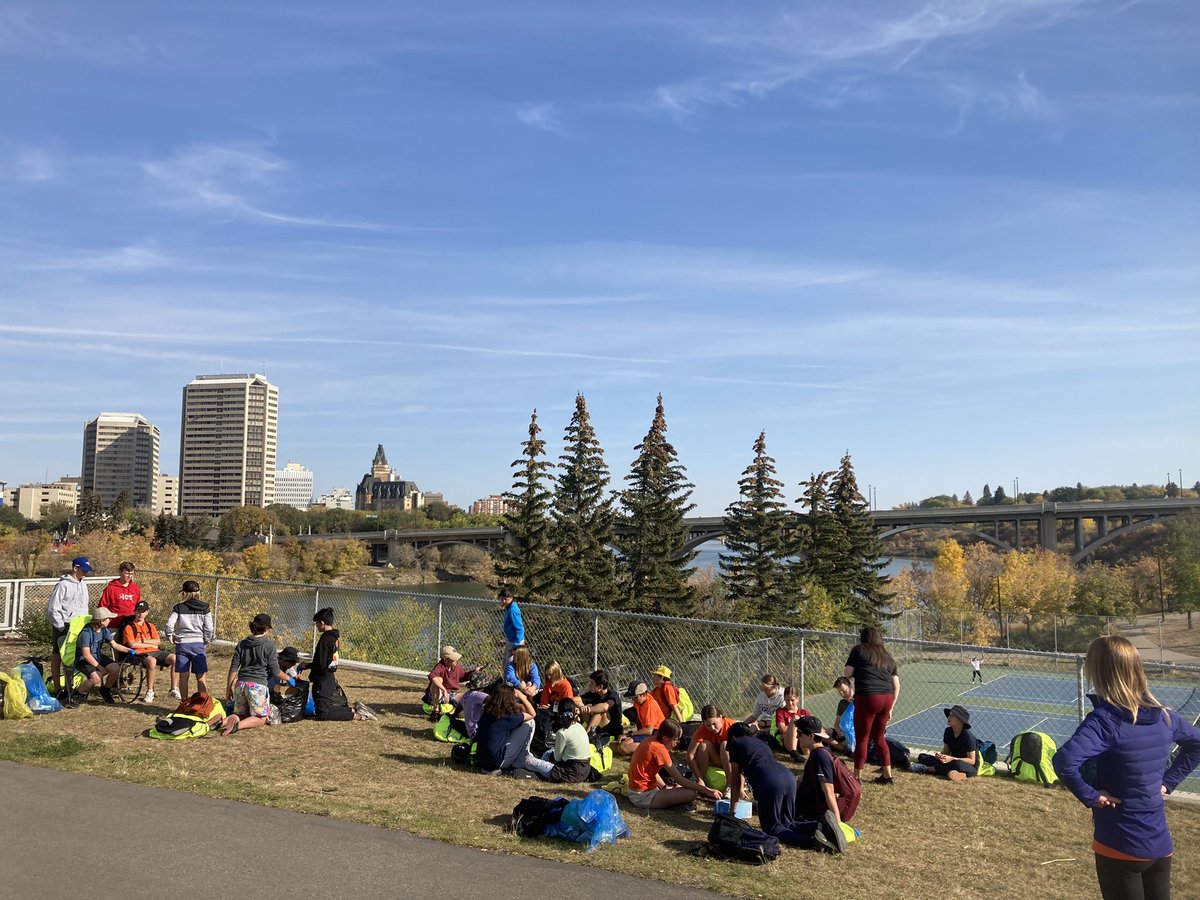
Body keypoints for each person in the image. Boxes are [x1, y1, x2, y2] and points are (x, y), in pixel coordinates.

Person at [1053, 635, 1200, 900]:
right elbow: (1197, 743)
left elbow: (1064, 762)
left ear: (1098, 672)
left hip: (1119, 843)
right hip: (1159, 845)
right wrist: (1168, 782)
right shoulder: (1165, 716)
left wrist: (1091, 796)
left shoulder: (1104, 721)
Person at [727, 723, 845, 852]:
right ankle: (822, 825)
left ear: (733, 737)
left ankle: (814, 842)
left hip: (769, 782)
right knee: (787, 823)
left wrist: (732, 813)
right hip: (787, 777)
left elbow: (736, 781)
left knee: (773, 828)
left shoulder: (735, 743)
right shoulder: (759, 743)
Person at [220, 613, 294, 736]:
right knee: (262, 718)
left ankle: (221, 722)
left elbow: (233, 668)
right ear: (266, 628)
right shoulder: (269, 645)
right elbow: (276, 671)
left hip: (240, 685)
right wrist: (289, 678)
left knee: (241, 714)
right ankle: (236, 726)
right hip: (256, 686)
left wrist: (228, 688)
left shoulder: (242, 644)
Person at [844, 626, 900, 784]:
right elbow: (897, 685)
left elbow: (847, 673)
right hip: (887, 698)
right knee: (879, 737)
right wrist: (891, 707)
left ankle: (857, 777)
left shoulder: (859, 650)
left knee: (862, 737)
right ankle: (887, 775)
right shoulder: (887, 656)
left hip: (868, 697)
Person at [627, 719, 723, 810]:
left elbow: (651, 772)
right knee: (691, 793)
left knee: (680, 788)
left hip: (636, 792)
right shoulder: (659, 749)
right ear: (665, 738)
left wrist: (664, 787)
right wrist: (707, 790)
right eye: (676, 739)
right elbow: (679, 779)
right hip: (643, 796)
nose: (678, 742)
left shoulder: (650, 741)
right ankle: (672, 805)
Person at [309, 607, 377, 722]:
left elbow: (320, 663)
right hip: (329, 677)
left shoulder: (325, 639)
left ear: (322, 622)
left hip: (323, 680)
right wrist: (308, 665)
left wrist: (311, 670)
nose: (316, 626)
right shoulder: (334, 638)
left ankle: (359, 716)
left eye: (317, 624)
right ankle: (354, 710)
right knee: (323, 709)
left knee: (323, 714)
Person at [47, 556, 92, 700]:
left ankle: (70, 686)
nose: (86, 573)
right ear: (75, 568)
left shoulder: (83, 584)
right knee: (58, 656)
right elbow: (54, 608)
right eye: (83, 570)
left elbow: (84, 605)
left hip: (80, 625)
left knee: (72, 657)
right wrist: (60, 626)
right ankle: (58, 688)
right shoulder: (63, 585)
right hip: (65, 625)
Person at [795, 716, 853, 823]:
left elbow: (828, 791)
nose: (797, 737)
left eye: (799, 733)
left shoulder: (821, 756)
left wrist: (837, 824)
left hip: (809, 812)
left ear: (811, 736)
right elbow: (800, 780)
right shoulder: (819, 752)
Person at [120, 600, 179, 703]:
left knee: (175, 658)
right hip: (139, 653)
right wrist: (150, 643)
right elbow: (132, 644)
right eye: (138, 611)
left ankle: (173, 689)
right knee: (152, 661)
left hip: (155, 650)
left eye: (143, 611)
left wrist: (142, 641)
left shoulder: (150, 626)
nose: (140, 613)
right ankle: (150, 691)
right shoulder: (129, 627)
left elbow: (158, 642)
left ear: (147, 612)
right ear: (134, 611)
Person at [165, 579, 215, 699]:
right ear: (199, 592)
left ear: (184, 593)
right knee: (200, 676)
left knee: (183, 675)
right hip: (198, 643)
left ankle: (184, 702)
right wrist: (206, 640)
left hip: (182, 644)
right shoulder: (205, 607)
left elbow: (169, 625)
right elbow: (209, 628)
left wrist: (170, 636)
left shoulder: (179, 607)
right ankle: (203, 702)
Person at [74, 607, 133, 704]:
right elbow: (86, 655)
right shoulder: (86, 633)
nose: (110, 620)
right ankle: (77, 695)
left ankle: (105, 690)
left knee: (115, 668)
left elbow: (115, 645)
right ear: (101, 621)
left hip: (98, 656)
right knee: (96, 677)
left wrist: (130, 651)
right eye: (108, 618)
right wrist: (100, 668)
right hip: (83, 660)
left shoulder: (104, 630)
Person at [475, 683, 537, 775]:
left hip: (481, 760)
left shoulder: (487, 711)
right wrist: (521, 697)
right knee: (530, 722)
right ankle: (520, 760)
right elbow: (532, 714)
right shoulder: (508, 717)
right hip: (496, 762)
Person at [520, 704, 592, 783]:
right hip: (585, 770)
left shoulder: (562, 733)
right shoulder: (579, 726)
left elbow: (557, 758)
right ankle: (540, 769)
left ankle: (538, 770)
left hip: (570, 774)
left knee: (529, 761)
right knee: (548, 752)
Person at [911, 705, 978, 781]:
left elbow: (972, 761)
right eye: (949, 715)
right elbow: (946, 752)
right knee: (922, 757)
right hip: (950, 763)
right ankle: (956, 773)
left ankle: (925, 769)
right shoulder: (948, 731)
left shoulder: (968, 736)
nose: (949, 718)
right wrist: (941, 756)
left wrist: (951, 759)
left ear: (960, 720)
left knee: (957, 764)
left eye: (952, 716)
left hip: (967, 767)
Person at [686, 704, 737, 789]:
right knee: (704, 745)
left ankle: (730, 785)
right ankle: (701, 782)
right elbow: (689, 755)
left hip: (732, 760)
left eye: (714, 723)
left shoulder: (732, 727)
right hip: (716, 759)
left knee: (725, 745)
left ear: (721, 717)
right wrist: (699, 778)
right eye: (708, 725)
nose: (712, 728)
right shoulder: (702, 729)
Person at [575, 669, 623, 741]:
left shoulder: (613, 695)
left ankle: (585, 738)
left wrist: (589, 709)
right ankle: (574, 732)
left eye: (592, 683)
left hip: (612, 730)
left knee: (599, 712)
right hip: (598, 727)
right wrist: (581, 707)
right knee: (578, 707)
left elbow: (604, 707)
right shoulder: (594, 694)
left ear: (600, 687)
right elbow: (574, 700)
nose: (589, 685)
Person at [618, 680, 666, 753]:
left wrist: (630, 734)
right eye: (632, 698)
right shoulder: (639, 702)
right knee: (619, 744)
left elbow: (649, 730)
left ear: (644, 694)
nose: (633, 700)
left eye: (635, 697)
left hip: (656, 733)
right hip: (648, 732)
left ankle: (651, 748)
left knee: (623, 747)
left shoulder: (650, 705)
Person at [743, 674, 786, 750]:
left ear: (774, 687)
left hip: (775, 725)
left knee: (757, 735)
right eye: (762, 688)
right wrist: (742, 724)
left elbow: (782, 721)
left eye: (766, 688)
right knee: (747, 732)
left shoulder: (782, 697)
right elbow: (755, 715)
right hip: (762, 723)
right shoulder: (761, 696)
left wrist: (762, 728)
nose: (763, 691)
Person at [99, 561, 140, 637]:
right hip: (114, 625)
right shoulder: (110, 588)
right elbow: (102, 607)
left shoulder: (135, 588)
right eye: (126, 573)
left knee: (129, 647)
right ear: (120, 572)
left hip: (130, 625)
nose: (129, 576)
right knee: (116, 647)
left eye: (131, 574)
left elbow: (137, 607)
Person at [775, 686, 811, 763]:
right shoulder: (780, 711)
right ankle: (794, 753)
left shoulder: (804, 713)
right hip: (788, 743)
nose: (790, 703)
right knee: (795, 718)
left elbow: (812, 727)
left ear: (797, 699)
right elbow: (782, 729)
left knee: (812, 723)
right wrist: (795, 725)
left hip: (803, 742)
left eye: (792, 700)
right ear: (784, 698)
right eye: (787, 700)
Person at [459, 672, 494, 740]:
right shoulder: (478, 695)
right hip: (478, 733)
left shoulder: (466, 695)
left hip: (472, 733)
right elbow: (496, 701)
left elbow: (458, 710)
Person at [827, 677, 855, 754]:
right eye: (840, 692)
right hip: (842, 733)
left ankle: (836, 746)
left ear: (850, 686)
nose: (842, 694)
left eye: (844, 691)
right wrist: (838, 731)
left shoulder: (859, 700)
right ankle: (841, 748)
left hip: (854, 735)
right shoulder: (842, 703)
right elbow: (836, 724)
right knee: (822, 732)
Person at [500, 586, 524, 663]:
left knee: (510, 665)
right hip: (510, 639)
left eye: (506, 599)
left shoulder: (513, 610)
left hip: (515, 642)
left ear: (511, 598)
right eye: (502, 598)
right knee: (506, 662)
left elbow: (519, 629)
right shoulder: (508, 607)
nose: (503, 601)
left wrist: (516, 646)